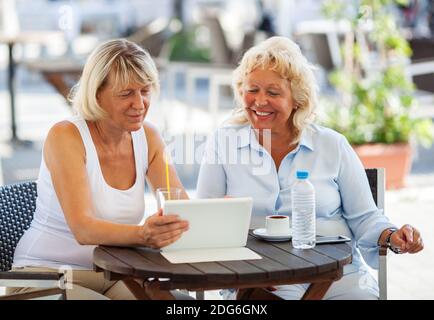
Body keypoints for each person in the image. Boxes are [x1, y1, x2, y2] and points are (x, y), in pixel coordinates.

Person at [196, 36, 424, 300]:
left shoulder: (332, 145)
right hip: (260, 275)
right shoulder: (224, 143)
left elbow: (365, 218)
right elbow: (204, 219)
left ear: (297, 99)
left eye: (273, 92)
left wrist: (393, 236)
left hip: (339, 274)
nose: (259, 101)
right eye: (252, 89)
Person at [8, 39, 190, 300]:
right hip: (44, 275)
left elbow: (179, 205)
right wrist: (143, 234)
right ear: (96, 95)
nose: (139, 104)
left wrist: (208, 218)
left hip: (111, 273)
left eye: (145, 91)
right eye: (126, 93)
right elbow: (84, 230)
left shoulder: (148, 136)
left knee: (178, 304)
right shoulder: (66, 136)